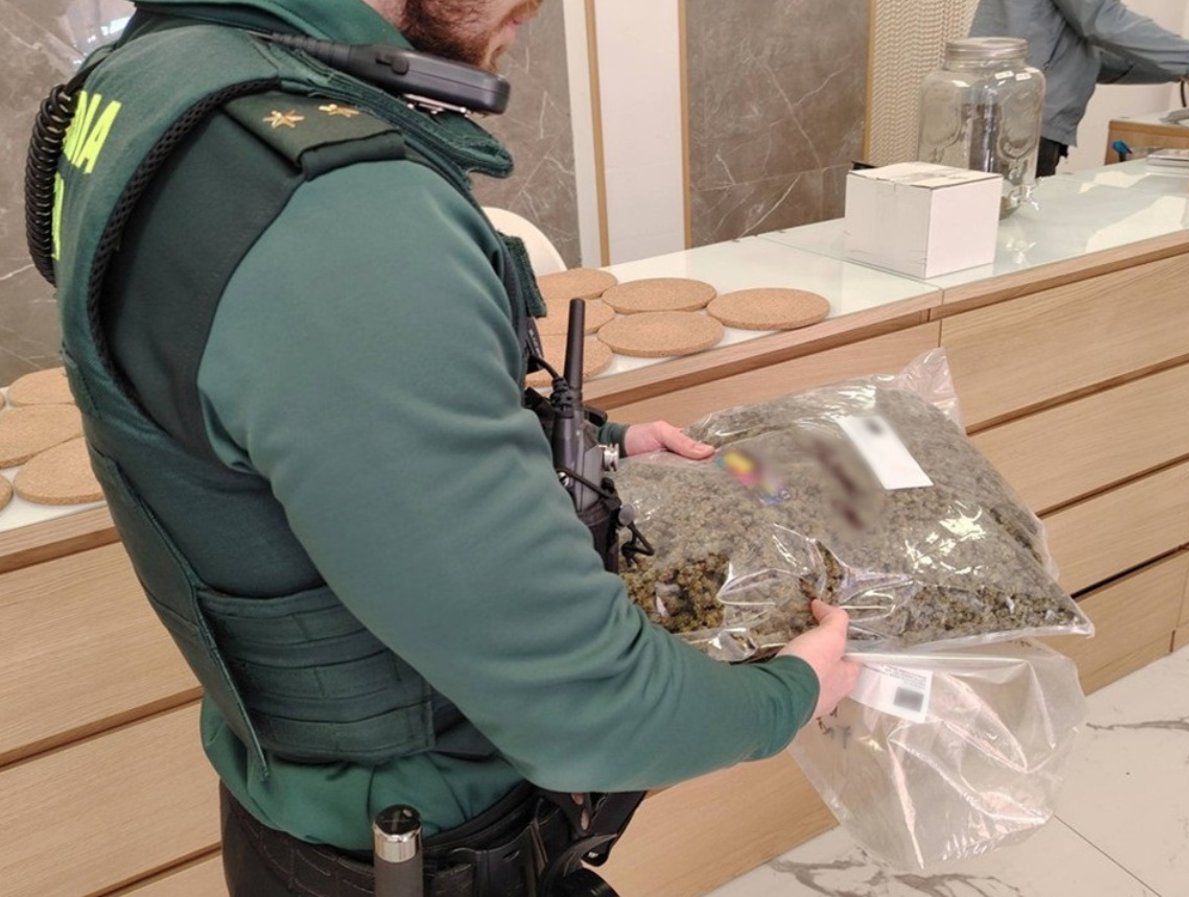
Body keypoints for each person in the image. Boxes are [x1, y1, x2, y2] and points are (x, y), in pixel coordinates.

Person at [39, 2, 861, 895]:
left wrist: (596, 445)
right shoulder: (342, 214)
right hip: (421, 850)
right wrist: (790, 694)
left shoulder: (160, 77)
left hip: (292, 815)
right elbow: (594, 710)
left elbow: (277, 407)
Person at [971, 0, 1189, 176]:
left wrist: (1180, 70)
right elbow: (1104, 22)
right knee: (1002, 220)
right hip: (1019, 121)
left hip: (1011, 115)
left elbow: (1093, 57)